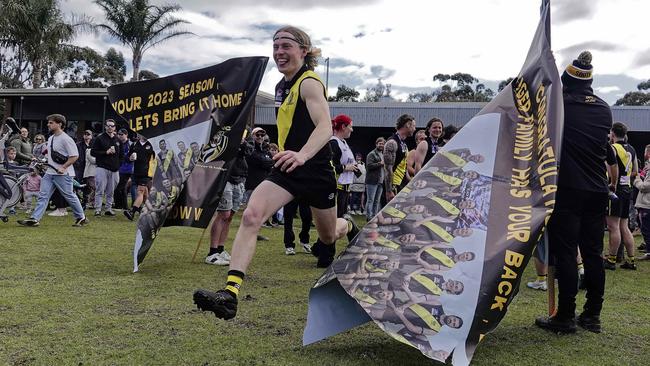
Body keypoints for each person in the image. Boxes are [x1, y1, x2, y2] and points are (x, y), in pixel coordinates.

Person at [193, 25, 359, 320]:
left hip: (316, 169)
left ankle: (349, 226)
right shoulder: (283, 87)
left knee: (329, 235)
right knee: (251, 215)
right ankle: (230, 294)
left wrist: (303, 154)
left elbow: (324, 126)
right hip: (287, 167)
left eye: (286, 46)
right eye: (276, 46)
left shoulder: (309, 83)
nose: (279, 52)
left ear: (303, 51)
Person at [535, 51, 617, 334]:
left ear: (566, 81)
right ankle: (592, 315)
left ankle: (565, 316)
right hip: (598, 190)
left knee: (567, 253)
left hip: (568, 190)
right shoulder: (604, 109)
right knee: (593, 254)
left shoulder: (559, 107)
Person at [17, 114, 88, 227]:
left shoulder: (66, 139)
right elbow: (50, 156)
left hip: (63, 174)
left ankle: (81, 217)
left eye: (51, 122)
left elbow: (74, 156)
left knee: (69, 195)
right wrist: (42, 161)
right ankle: (35, 218)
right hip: (50, 172)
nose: (48, 124)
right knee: (43, 195)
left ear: (59, 124)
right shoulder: (51, 138)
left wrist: (63, 167)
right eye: (48, 122)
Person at [205, 136, 252, 265]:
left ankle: (220, 249)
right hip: (225, 177)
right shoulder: (225, 133)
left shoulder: (245, 133)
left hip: (240, 177)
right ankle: (212, 252)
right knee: (223, 214)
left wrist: (242, 142)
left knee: (230, 216)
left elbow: (248, 151)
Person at [604, 122, 638, 270]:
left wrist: (612, 182)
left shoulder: (613, 147)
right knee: (624, 226)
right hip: (627, 189)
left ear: (612, 134)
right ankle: (631, 260)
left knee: (613, 226)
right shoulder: (632, 149)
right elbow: (635, 171)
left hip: (616, 189)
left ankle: (611, 260)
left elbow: (610, 167)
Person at [90, 119, 122, 216]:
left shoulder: (118, 140)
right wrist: (105, 152)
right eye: (108, 125)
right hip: (102, 167)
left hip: (114, 169)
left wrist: (118, 164)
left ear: (115, 127)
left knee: (111, 190)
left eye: (112, 126)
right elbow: (93, 152)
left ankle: (108, 208)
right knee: (100, 189)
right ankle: (98, 209)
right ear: (105, 127)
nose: (110, 127)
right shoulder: (100, 138)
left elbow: (122, 155)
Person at [329, 114, 358, 218]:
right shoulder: (334, 143)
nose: (352, 130)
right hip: (337, 188)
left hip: (345, 188)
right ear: (343, 127)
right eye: (350, 126)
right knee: (335, 220)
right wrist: (346, 168)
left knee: (342, 219)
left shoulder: (344, 142)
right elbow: (329, 167)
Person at [384, 114, 416, 202]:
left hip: (400, 184)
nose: (415, 129)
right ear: (407, 125)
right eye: (414, 126)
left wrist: (412, 182)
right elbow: (388, 169)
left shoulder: (404, 144)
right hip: (393, 185)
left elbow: (403, 168)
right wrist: (389, 191)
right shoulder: (392, 142)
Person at [123, 134, 156, 221]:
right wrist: (130, 158)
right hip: (136, 172)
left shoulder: (152, 144)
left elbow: (157, 157)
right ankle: (151, 212)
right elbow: (127, 157)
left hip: (146, 173)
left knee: (140, 192)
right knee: (145, 195)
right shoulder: (134, 144)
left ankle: (132, 212)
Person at [634, 145, 650, 261]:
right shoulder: (647, 167)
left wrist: (637, 180)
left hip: (647, 202)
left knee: (646, 229)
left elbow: (646, 186)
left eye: (645, 152)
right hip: (646, 202)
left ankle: (649, 253)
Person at [365, 137, 385, 221]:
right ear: (376, 144)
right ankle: (368, 217)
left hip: (380, 181)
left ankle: (374, 216)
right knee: (371, 200)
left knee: (377, 200)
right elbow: (369, 166)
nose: (381, 145)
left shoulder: (383, 154)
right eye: (380, 143)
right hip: (372, 181)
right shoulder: (372, 154)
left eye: (383, 144)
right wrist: (380, 163)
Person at [114, 129, 133, 210]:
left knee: (121, 187)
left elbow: (130, 157)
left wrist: (120, 155)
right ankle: (119, 205)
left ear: (126, 135)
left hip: (126, 169)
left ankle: (123, 206)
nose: (120, 136)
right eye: (118, 134)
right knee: (118, 187)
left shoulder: (129, 144)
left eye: (121, 134)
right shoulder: (118, 143)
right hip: (119, 168)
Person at [74, 130, 93, 208]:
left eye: (88, 134)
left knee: (88, 185)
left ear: (91, 136)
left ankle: (85, 201)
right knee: (77, 184)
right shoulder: (78, 145)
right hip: (79, 168)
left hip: (89, 168)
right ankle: (78, 200)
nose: (86, 136)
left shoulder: (93, 145)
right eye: (85, 134)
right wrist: (77, 164)